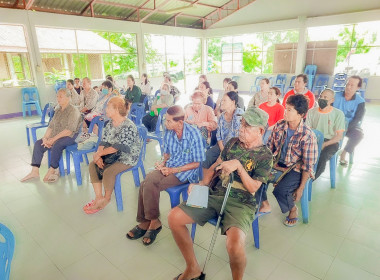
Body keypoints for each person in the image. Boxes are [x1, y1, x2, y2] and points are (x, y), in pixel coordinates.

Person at [168, 107, 273, 280]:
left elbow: (254, 187)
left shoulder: (265, 155)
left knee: (234, 246)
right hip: (216, 193)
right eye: (242, 123)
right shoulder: (232, 142)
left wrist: (238, 166)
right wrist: (202, 184)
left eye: (247, 126)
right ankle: (192, 267)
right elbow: (216, 165)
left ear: (260, 131)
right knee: (174, 217)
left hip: (241, 202)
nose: (241, 128)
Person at [126, 105, 205, 246]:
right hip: (170, 166)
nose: (165, 123)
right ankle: (149, 221)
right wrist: (163, 162)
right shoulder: (169, 131)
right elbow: (167, 153)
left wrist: (174, 170)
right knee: (145, 183)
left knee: (149, 184)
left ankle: (151, 222)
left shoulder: (194, 134)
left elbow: (197, 163)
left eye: (169, 121)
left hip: (185, 173)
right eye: (165, 120)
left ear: (180, 122)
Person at [264, 94, 318, 226]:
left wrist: (301, 188)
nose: (285, 112)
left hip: (296, 169)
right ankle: (263, 204)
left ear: (301, 114)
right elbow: (269, 148)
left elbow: (307, 165)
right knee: (255, 176)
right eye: (285, 108)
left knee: (280, 190)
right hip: (278, 163)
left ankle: (293, 209)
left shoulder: (307, 135)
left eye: (289, 110)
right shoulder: (280, 125)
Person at [83, 97, 142, 214]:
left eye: (108, 107)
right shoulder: (109, 123)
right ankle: (98, 197)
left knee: (108, 171)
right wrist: (98, 156)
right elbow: (103, 141)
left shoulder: (128, 126)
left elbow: (118, 147)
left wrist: (99, 154)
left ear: (116, 109)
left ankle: (106, 199)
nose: (105, 109)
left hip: (127, 157)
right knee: (93, 165)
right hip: (111, 155)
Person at [21, 88, 81, 183]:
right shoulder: (58, 110)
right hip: (56, 135)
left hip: (71, 136)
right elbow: (51, 126)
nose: (58, 98)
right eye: (57, 96)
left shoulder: (73, 110)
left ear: (68, 98)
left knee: (57, 144)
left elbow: (69, 131)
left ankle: (52, 169)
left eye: (61, 96)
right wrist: (45, 138)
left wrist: (52, 140)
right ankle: (35, 171)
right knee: (38, 144)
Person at [306, 88, 345, 179]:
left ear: (332, 100)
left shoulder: (338, 114)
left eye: (325, 97)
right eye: (321, 96)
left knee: (322, 157)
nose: (322, 99)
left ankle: (311, 180)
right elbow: (307, 130)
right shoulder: (311, 112)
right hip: (314, 140)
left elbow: (339, 136)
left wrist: (324, 144)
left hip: (330, 142)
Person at [203, 91, 244, 171]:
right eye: (222, 100)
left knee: (223, 165)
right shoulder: (222, 116)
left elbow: (237, 137)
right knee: (206, 157)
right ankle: (202, 179)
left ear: (233, 102)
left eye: (225, 100)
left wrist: (226, 152)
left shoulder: (239, 114)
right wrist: (223, 150)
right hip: (221, 146)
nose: (222, 102)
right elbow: (219, 136)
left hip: (235, 148)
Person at [333, 75, 365, 166]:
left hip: (349, 127)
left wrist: (345, 128)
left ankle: (344, 152)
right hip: (333, 125)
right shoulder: (335, 96)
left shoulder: (360, 101)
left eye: (352, 85)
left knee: (359, 135)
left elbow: (357, 118)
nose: (348, 87)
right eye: (347, 84)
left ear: (358, 87)